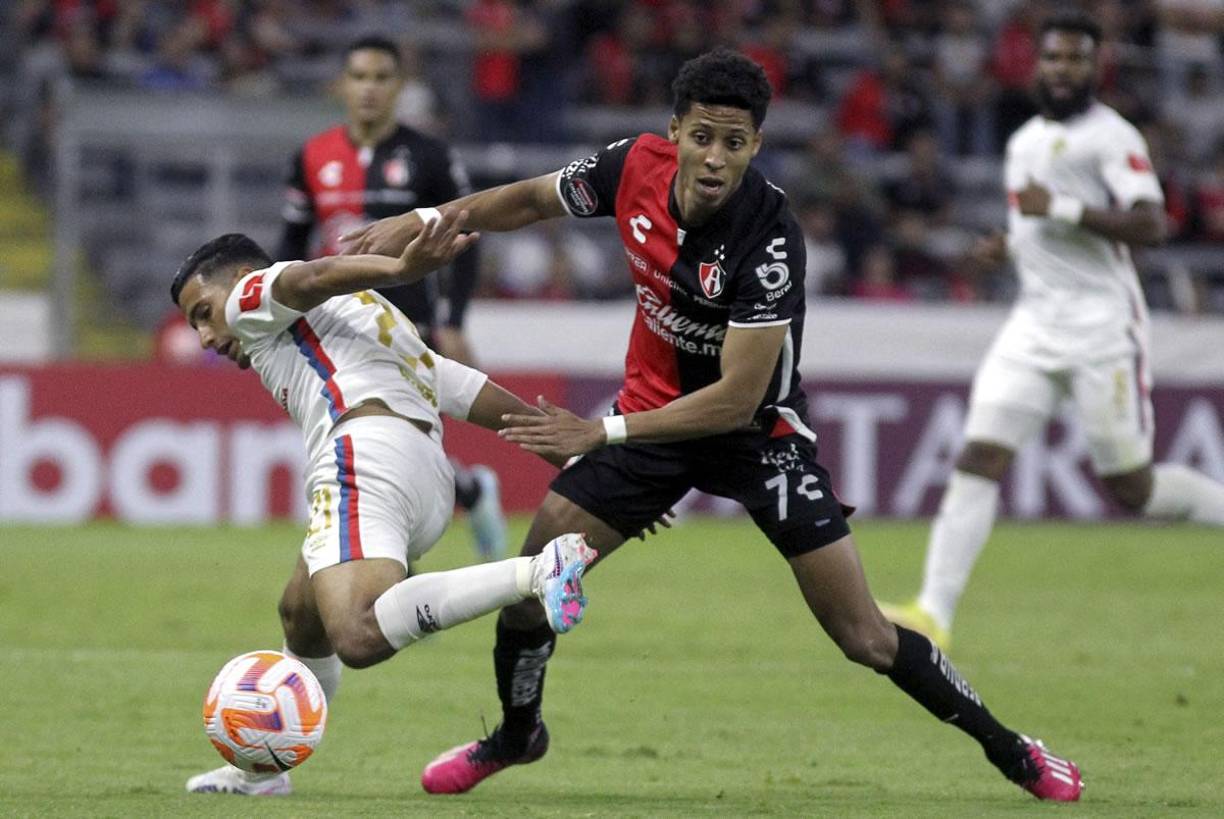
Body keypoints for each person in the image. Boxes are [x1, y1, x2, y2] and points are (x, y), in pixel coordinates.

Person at [344, 49, 1084, 802]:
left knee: (863, 635)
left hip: (755, 438)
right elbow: (531, 200)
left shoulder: (768, 238)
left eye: (734, 142)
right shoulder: (631, 166)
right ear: (675, 131)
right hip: (648, 420)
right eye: (702, 136)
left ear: (756, 145)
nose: (714, 158)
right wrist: (429, 217)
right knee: (534, 585)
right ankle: (516, 734)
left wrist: (602, 435)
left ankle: (1014, 750)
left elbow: (735, 398)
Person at [172, 215, 597, 796]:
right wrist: (577, 461)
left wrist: (401, 267)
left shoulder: (255, 295)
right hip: (425, 476)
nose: (204, 337)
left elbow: (313, 273)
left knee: (359, 632)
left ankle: (538, 572)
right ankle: (265, 772)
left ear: (244, 278)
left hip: (364, 455)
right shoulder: (362, 317)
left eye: (202, 312)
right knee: (302, 612)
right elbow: (456, 385)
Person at [879, 11, 1224, 651]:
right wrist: (1008, 247)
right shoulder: (1025, 141)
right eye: (1053, 58)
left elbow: (1152, 225)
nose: (1062, 70)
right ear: (1035, 64)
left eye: (1076, 59)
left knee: (1132, 489)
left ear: (1097, 67)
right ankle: (933, 613)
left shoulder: (1111, 137)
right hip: (1033, 324)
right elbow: (1042, 232)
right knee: (979, 456)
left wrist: (1060, 208)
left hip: (1101, 329)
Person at [280, 35, 508, 562]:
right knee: (354, 439)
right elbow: (290, 245)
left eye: (382, 78)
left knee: (408, 447)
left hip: (413, 325)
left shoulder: (429, 157)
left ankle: (388, 572)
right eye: (359, 77)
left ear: (399, 87)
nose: (369, 89)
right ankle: (467, 496)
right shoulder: (311, 158)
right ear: (341, 85)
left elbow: (466, 241)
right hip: (337, 328)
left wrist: (453, 318)